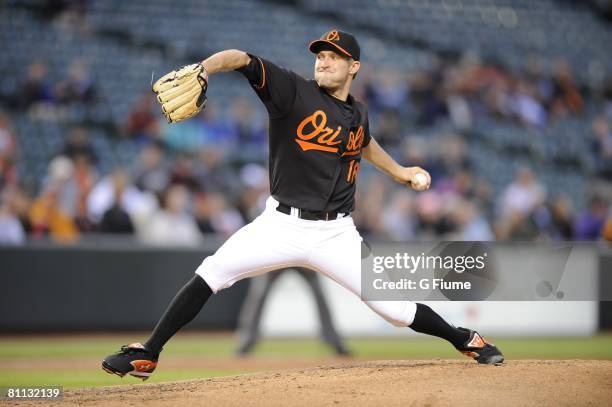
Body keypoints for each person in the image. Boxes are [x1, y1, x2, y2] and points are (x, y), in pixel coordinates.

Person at [102, 30, 503, 380]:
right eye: (320, 56)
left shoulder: (357, 112)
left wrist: (399, 171)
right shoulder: (291, 90)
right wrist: (206, 68)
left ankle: (466, 339)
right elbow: (242, 59)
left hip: (336, 233)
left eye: (334, 57)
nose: (324, 62)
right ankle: (148, 353)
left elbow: (362, 142)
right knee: (212, 272)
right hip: (279, 224)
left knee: (395, 310)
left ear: (354, 67)